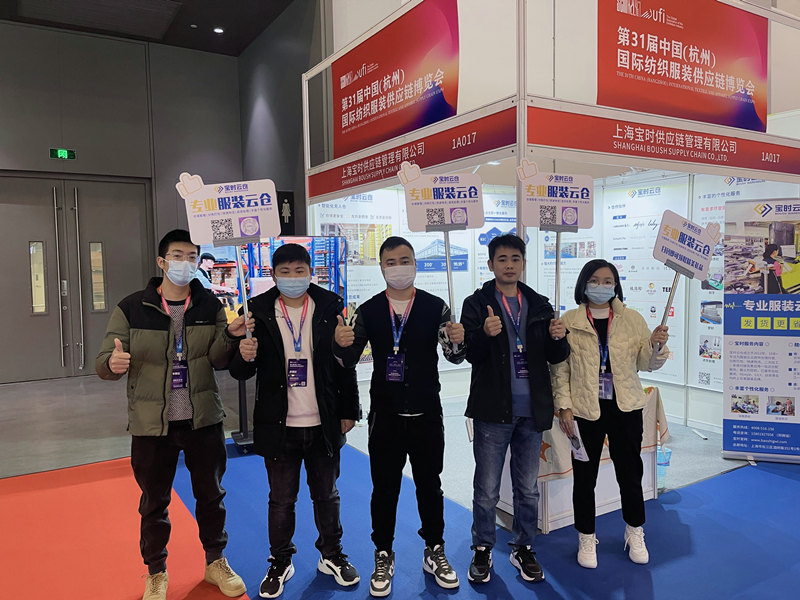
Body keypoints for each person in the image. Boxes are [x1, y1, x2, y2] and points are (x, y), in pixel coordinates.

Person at [95, 229, 250, 600]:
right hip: (152, 424)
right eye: (178, 255)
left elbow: (217, 359)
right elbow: (103, 361)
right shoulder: (133, 307)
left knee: (211, 496)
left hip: (203, 419)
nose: (186, 263)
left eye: (192, 256)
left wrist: (231, 335)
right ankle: (156, 572)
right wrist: (112, 364)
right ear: (162, 262)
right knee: (154, 502)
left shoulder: (209, 305)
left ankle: (215, 561)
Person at [333, 236, 465, 597]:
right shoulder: (369, 310)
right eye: (390, 262)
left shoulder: (436, 307)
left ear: (415, 264)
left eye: (405, 260)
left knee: (430, 485)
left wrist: (458, 339)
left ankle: (434, 549)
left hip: (427, 412)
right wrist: (340, 343)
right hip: (386, 414)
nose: (398, 267)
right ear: (381, 267)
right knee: (384, 488)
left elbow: (454, 357)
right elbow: (346, 360)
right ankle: (383, 553)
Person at [228, 243, 361, 598]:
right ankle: (280, 560)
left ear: (310, 272)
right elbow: (240, 371)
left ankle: (331, 554)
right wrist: (243, 353)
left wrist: (349, 409)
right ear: (273, 275)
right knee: (281, 499)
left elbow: (345, 364)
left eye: (299, 270)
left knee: (327, 495)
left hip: (323, 420)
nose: (292, 278)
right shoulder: (256, 311)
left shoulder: (330, 307)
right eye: (284, 272)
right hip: (279, 423)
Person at [460, 233, 569, 584]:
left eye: (515, 259)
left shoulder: (539, 304)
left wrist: (559, 338)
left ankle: (524, 547)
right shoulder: (477, 304)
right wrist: (483, 334)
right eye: (502, 259)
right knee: (487, 488)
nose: (509, 265)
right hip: (492, 409)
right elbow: (469, 355)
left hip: (532, 409)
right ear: (490, 264)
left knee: (527, 487)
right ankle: (482, 548)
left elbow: (555, 357)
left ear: (523, 263)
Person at [551, 259, 669, 570]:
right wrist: (564, 407)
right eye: (595, 280)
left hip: (625, 408)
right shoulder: (570, 320)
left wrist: (655, 347)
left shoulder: (631, 319)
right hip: (585, 410)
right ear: (584, 283)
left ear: (616, 285)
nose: (601, 286)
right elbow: (560, 370)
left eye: (608, 281)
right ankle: (586, 536)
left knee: (630, 475)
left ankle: (635, 531)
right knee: (584, 478)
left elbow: (645, 363)